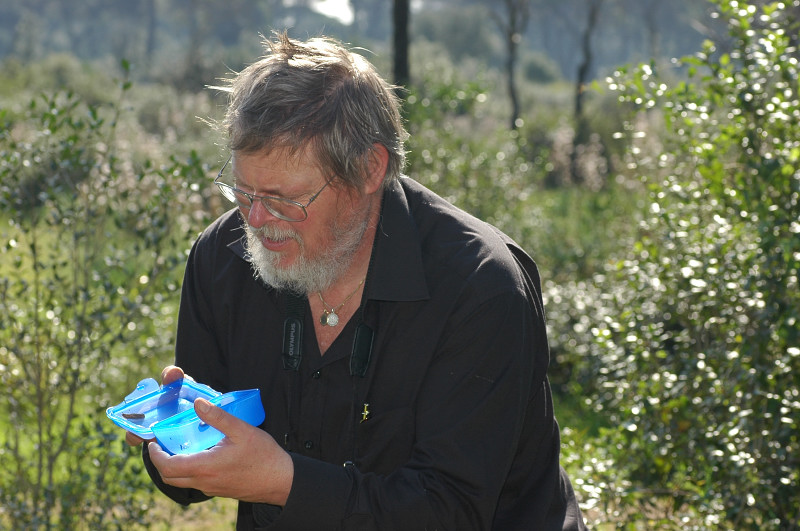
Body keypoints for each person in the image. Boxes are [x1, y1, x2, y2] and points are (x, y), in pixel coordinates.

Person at [126, 31, 587, 530]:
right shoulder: (222, 259)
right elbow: (194, 480)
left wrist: (282, 481)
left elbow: (452, 509)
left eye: (285, 199)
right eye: (241, 191)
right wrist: (168, 438)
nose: (256, 220)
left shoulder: (481, 288)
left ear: (369, 169)